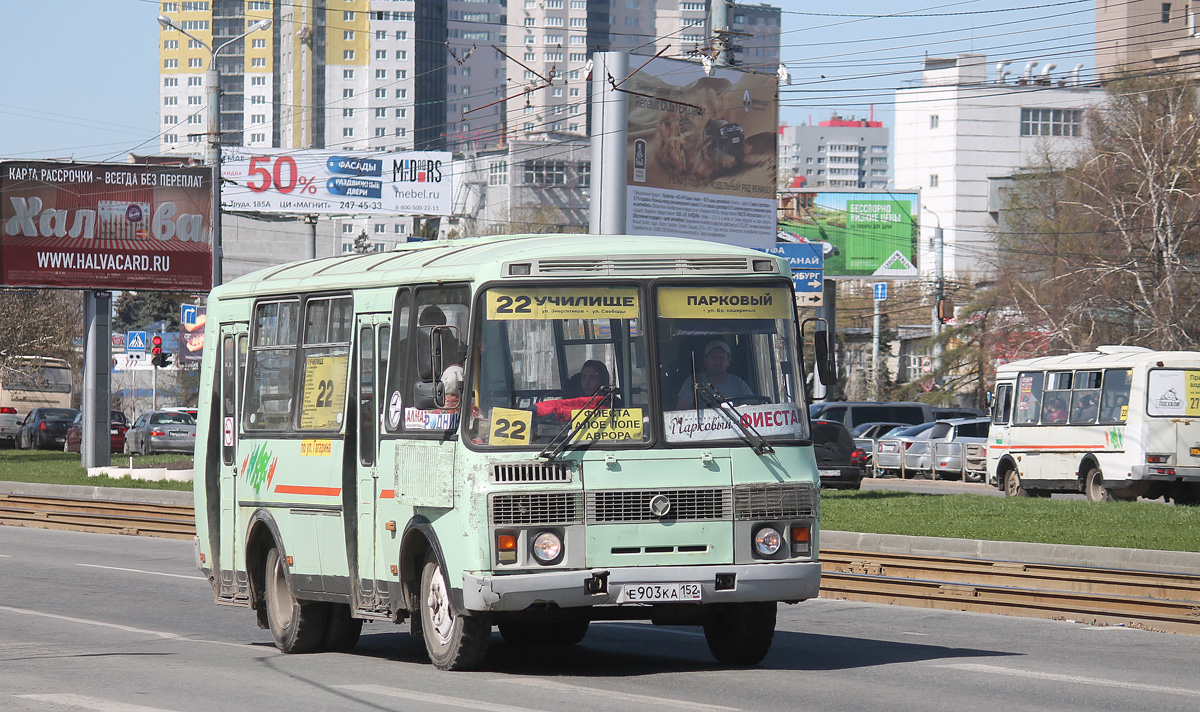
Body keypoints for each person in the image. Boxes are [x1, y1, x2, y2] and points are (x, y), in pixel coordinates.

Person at [676, 339, 754, 409]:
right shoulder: (694, 381)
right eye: (713, 358)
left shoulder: (738, 383)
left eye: (721, 358)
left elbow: (753, 407)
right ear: (705, 361)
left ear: (728, 361)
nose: (717, 362)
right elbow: (681, 410)